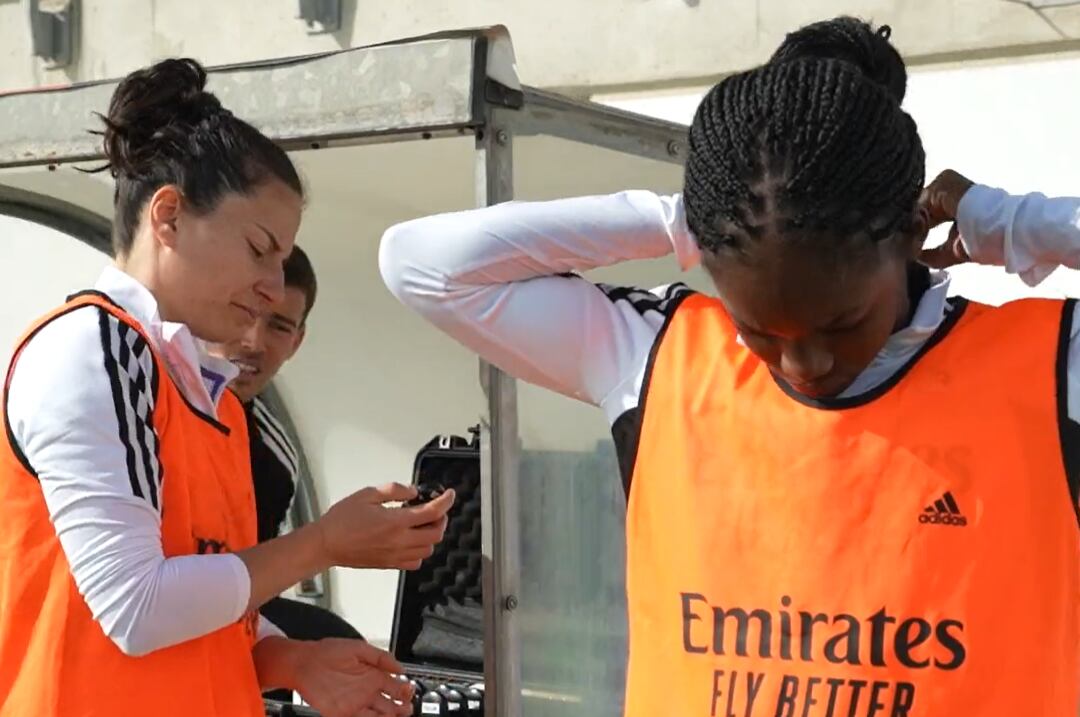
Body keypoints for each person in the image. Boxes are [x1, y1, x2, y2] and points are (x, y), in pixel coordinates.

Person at [380, 17, 1078, 717]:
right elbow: (422, 266)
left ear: (908, 233)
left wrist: (1013, 222)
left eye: (841, 323)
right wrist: (685, 219)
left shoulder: (1049, 370)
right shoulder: (652, 356)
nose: (806, 365)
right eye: (761, 333)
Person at [0, 58, 454, 717]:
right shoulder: (97, 348)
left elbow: (205, 593)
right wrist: (320, 544)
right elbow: (137, 606)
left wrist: (287, 656)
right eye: (259, 248)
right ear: (169, 216)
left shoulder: (203, 393)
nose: (274, 282)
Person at [214, 245, 365, 650]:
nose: (253, 341)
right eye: (245, 314)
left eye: (278, 326)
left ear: (297, 341)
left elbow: (250, 595)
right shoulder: (148, 413)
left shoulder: (275, 457)